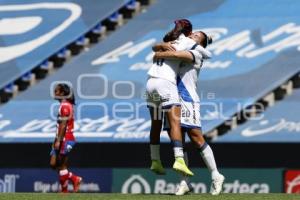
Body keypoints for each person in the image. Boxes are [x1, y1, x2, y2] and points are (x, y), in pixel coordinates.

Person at [152, 31, 225, 196]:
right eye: (193, 33)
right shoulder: (183, 45)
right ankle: (184, 182)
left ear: (201, 43)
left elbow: (171, 54)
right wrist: (161, 47)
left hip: (187, 100)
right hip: (170, 98)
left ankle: (216, 175)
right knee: (177, 141)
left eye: (198, 35)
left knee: (196, 137)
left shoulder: (196, 53)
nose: (193, 35)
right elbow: (158, 50)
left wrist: (161, 49)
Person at [146, 19, 197, 177]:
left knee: (156, 123)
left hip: (150, 83)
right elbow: (198, 47)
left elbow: (154, 48)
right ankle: (179, 159)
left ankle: (155, 160)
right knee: (175, 121)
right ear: (188, 32)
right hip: (165, 84)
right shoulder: (188, 41)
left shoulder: (167, 40)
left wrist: (158, 50)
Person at [49, 83, 82, 193]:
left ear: (62, 93)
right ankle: (74, 178)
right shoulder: (63, 105)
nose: (55, 93)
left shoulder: (65, 106)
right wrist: (56, 140)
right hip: (60, 138)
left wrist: (59, 140)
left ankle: (64, 192)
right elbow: (60, 125)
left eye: (57, 91)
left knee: (62, 166)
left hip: (66, 139)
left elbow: (63, 124)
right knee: (53, 164)